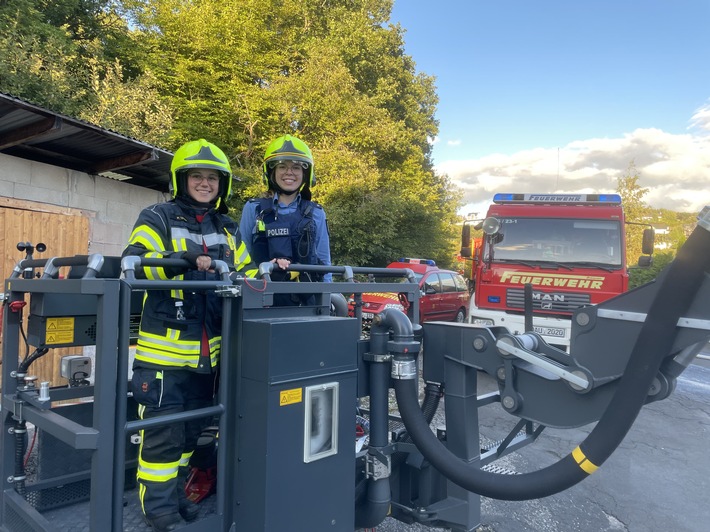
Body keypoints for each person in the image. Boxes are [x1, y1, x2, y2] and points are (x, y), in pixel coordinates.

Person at [123, 139, 257, 532]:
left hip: (208, 357)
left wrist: (273, 275)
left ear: (222, 184)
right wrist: (178, 263)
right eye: (196, 176)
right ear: (182, 180)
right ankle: (158, 510)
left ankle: (178, 494)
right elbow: (136, 265)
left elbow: (248, 275)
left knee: (191, 437)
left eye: (212, 177)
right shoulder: (157, 216)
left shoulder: (227, 228)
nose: (204, 183)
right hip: (164, 359)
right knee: (163, 438)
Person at [239, 134, 332, 306]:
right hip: (260, 300)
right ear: (271, 172)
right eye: (282, 166)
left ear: (305, 173)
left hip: (306, 303)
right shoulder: (253, 209)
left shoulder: (316, 213)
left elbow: (324, 264)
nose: (289, 172)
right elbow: (241, 260)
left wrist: (326, 302)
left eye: (296, 167)